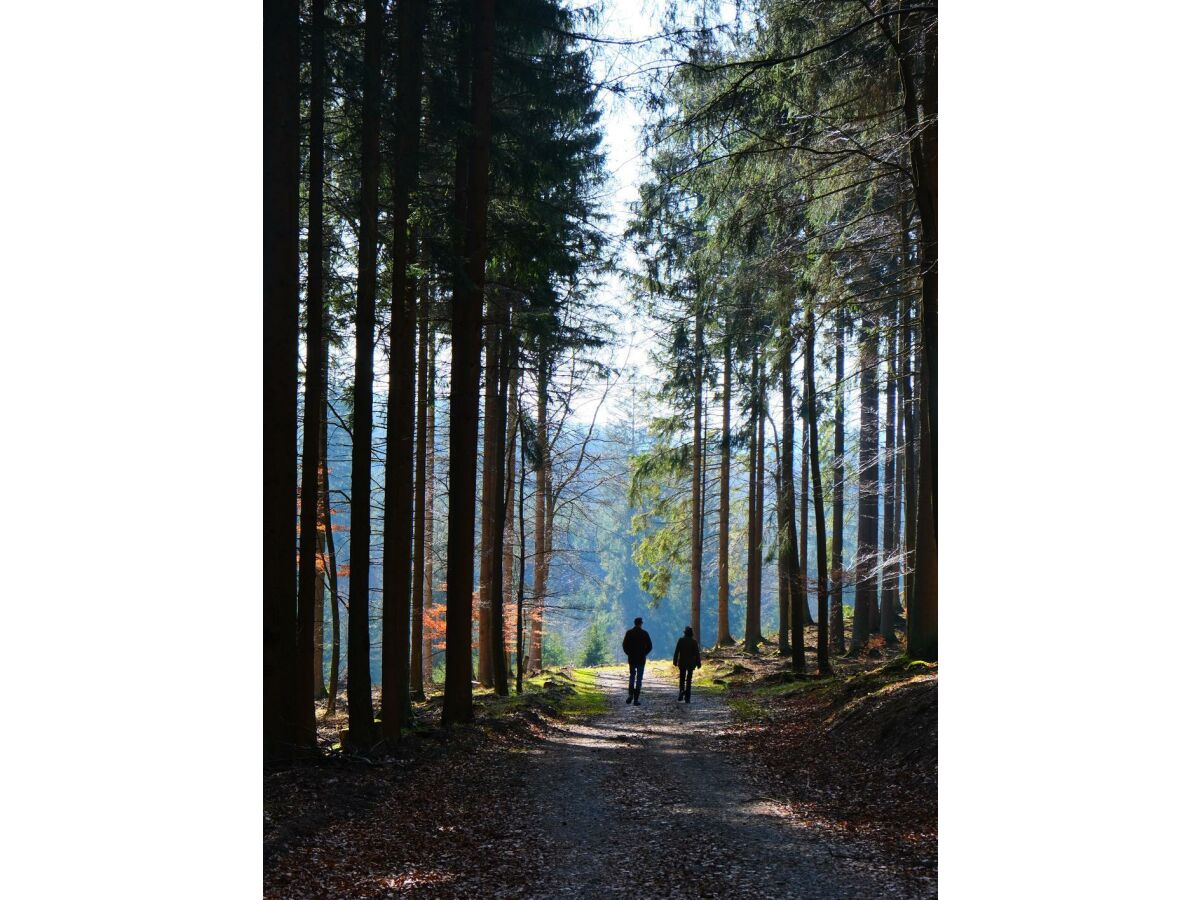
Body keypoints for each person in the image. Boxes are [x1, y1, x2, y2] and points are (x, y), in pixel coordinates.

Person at [622, 617, 653, 705]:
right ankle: (636, 700)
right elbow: (650, 646)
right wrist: (644, 653)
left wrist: (628, 653)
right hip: (641, 659)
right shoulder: (644, 633)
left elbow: (624, 645)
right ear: (641, 623)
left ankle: (630, 695)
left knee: (632, 676)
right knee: (639, 679)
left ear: (634, 623)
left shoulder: (629, 633)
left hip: (632, 658)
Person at [672, 626, 702, 703]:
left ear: (685, 633)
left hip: (682, 663)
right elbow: (697, 654)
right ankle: (687, 698)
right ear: (691, 634)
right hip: (691, 664)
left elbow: (677, 651)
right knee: (689, 680)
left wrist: (675, 661)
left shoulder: (681, 640)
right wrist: (698, 663)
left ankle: (681, 692)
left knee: (682, 678)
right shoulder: (694, 642)